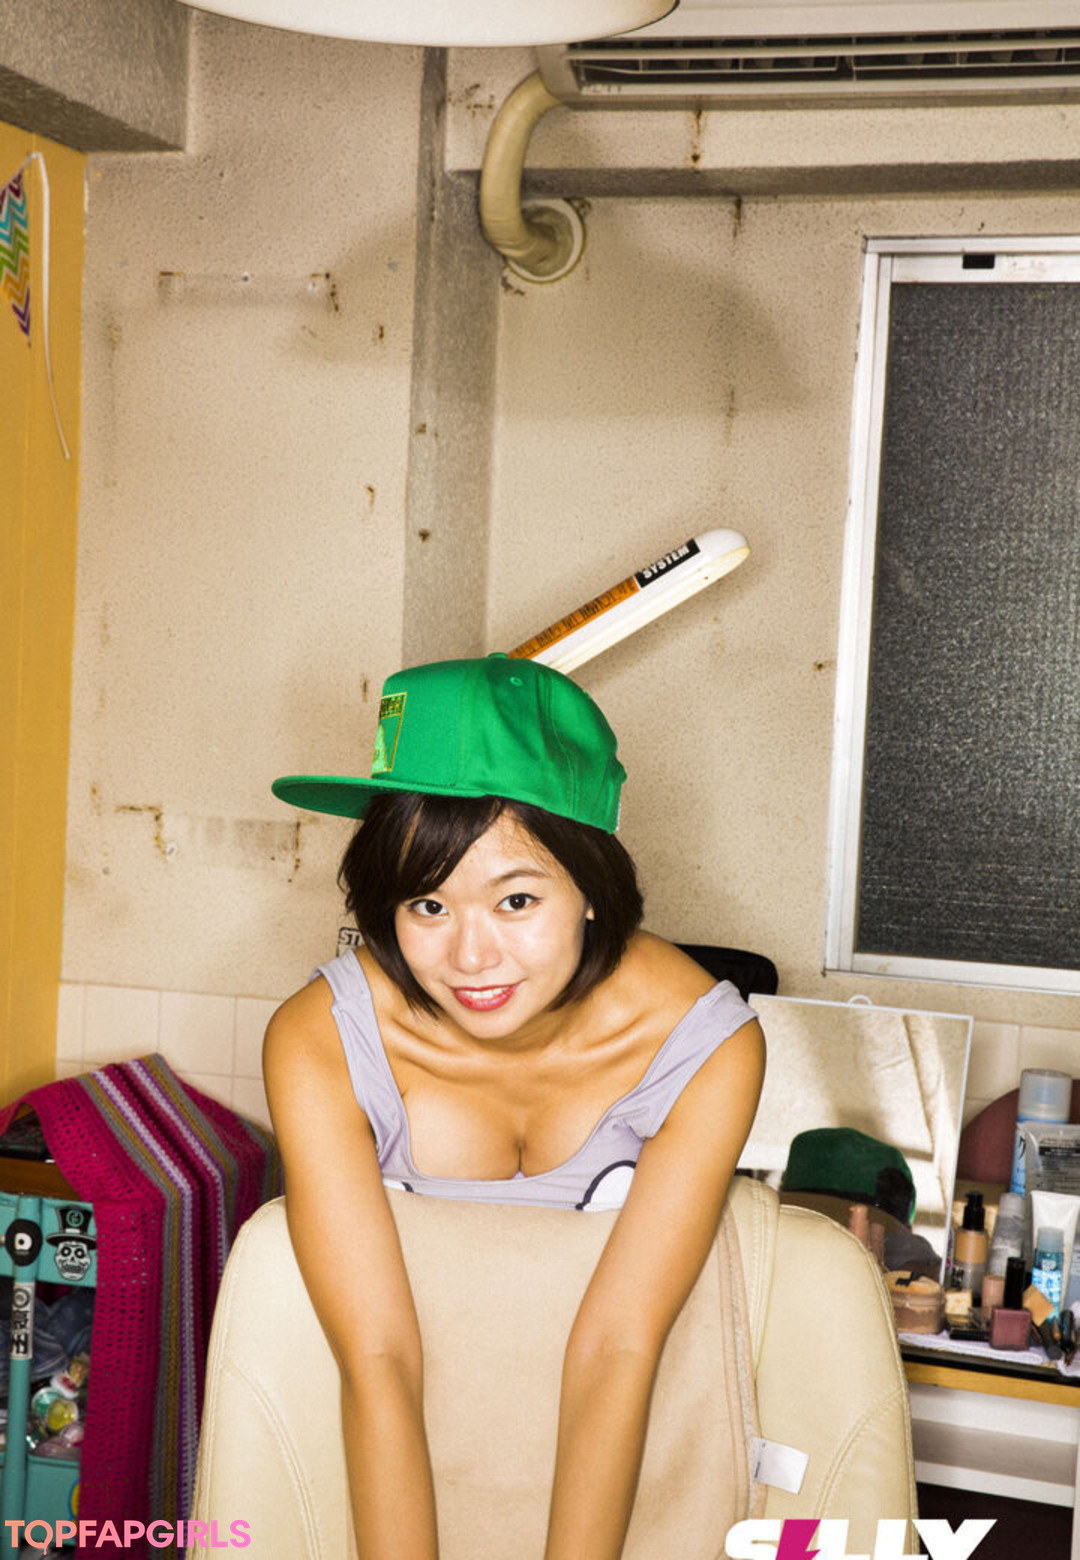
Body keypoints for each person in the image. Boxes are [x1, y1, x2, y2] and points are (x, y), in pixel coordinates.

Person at [264, 653, 765, 1560]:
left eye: (517, 900)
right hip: (367, 1473)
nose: (470, 958)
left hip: (638, 1487)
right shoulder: (321, 1039)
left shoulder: (704, 1047)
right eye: (427, 905)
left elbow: (620, 1345)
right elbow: (376, 1357)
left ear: (592, 888)